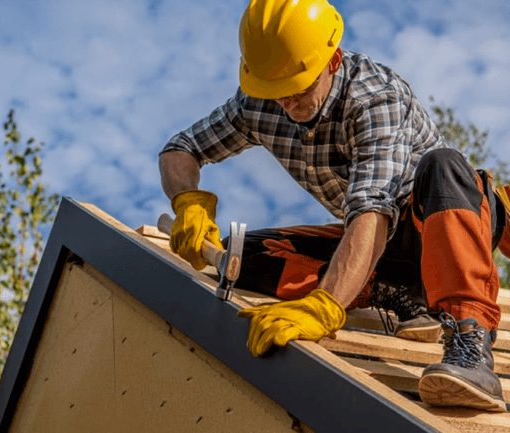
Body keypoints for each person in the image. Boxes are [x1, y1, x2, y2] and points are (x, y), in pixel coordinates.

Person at [158, 0, 510, 412]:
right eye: (276, 92)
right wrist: (189, 201)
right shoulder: (260, 101)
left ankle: (470, 344)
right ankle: (400, 294)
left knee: (444, 165)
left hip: (439, 226)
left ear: (333, 61)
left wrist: (327, 305)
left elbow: (371, 212)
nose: (287, 103)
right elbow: (180, 149)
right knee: (242, 257)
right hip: (381, 251)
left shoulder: (375, 99)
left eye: (299, 89)